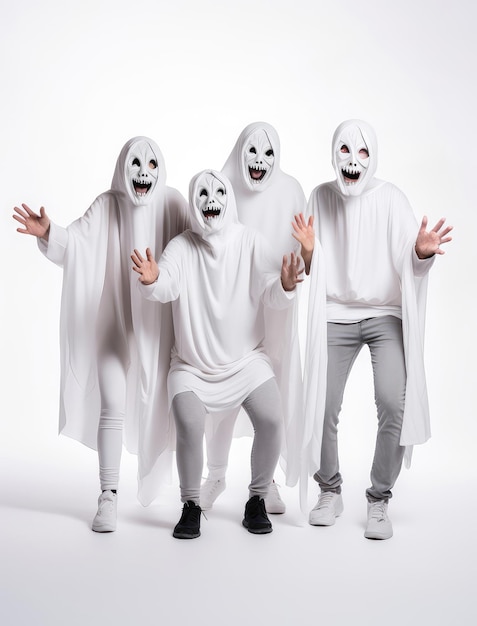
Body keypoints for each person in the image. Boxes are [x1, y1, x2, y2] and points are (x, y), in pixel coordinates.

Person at [13, 136, 189, 532]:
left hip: (159, 326)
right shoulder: (109, 205)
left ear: (161, 170)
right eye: (136, 163)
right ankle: (108, 494)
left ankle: (188, 495)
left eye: (152, 165)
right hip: (116, 323)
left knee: (173, 405)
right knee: (113, 404)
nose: (144, 173)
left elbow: (197, 245)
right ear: (123, 168)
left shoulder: (174, 204)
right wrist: (49, 233)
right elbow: (74, 242)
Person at [292, 119, 452, 539]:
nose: (353, 160)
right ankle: (330, 490)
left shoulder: (391, 198)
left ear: (373, 157)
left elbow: (410, 259)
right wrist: (308, 252)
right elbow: (312, 269)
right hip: (334, 314)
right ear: (334, 155)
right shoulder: (320, 197)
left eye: (362, 152)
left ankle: (379, 498)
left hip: (384, 314)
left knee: (393, 403)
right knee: (321, 404)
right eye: (345, 151)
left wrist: (420, 252)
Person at [131, 169, 303, 539]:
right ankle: (191, 505)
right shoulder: (182, 246)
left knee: (273, 419)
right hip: (191, 367)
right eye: (203, 194)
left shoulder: (250, 241)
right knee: (190, 426)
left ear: (229, 199)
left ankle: (256, 498)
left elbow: (272, 291)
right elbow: (167, 285)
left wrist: (286, 284)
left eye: (219, 192)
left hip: (246, 362)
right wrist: (151, 279)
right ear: (195, 203)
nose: (212, 201)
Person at [200, 122, 306, 514]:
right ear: (240, 152)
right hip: (233, 307)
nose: (259, 161)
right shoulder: (221, 184)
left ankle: (266, 482)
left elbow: (307, 253)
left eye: (268, 154)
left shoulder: (292, 190)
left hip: (278, 305)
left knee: (272, 393)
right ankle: (215, 474)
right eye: (252, 151)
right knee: (223, 392)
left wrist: (295, 272)